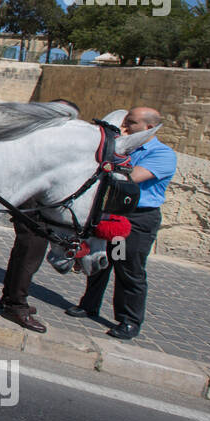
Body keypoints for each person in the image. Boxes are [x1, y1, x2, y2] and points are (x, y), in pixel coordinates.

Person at [66, 106, 177, 341]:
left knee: (128, 269)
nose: (125, 127)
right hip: (114, 213)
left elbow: (129, 178)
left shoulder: (161, 154)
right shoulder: (124, 147)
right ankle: (89, 304)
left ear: (148, 128)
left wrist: (116, 152)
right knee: (103, 260)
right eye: (125, 121)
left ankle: (129, 320)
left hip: (137, 218)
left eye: (132, 123)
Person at [0, 100, 80, 333]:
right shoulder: (36, 136)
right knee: (30, 250)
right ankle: (15, 304)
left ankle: (13, 298)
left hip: (39, 201)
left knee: (29, 252)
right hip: (33, 202)